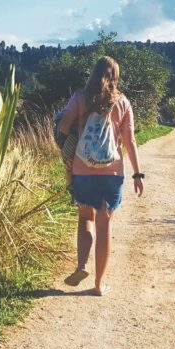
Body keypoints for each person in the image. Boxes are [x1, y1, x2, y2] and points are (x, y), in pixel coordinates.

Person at [56, 56, 144, 296]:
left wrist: (75, 129)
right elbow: (130, 140)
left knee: (85, 219)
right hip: (112, 171)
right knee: (105, 224)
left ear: (93, 74)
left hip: (82, 169)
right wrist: (137, 173)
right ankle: (99, 284)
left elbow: (63, 127)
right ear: (115, 76)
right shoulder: (123, 102)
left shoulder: (79, 98)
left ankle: (82, 265)